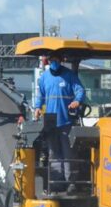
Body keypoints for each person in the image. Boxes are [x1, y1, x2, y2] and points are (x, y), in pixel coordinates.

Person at [34, 51, 86, 193]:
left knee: (67, 152)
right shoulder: (44, 78)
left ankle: (71, 183)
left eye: (56, 59)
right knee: (54, 153)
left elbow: (80, 90)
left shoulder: (69, 75)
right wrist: (37, 108)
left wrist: (77, 101)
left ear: (61, 60)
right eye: (52, 60)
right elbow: (40, 96)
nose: (54, 62)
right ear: (49, 61)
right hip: (50, 121)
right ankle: (57, 182)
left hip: (66, 120)